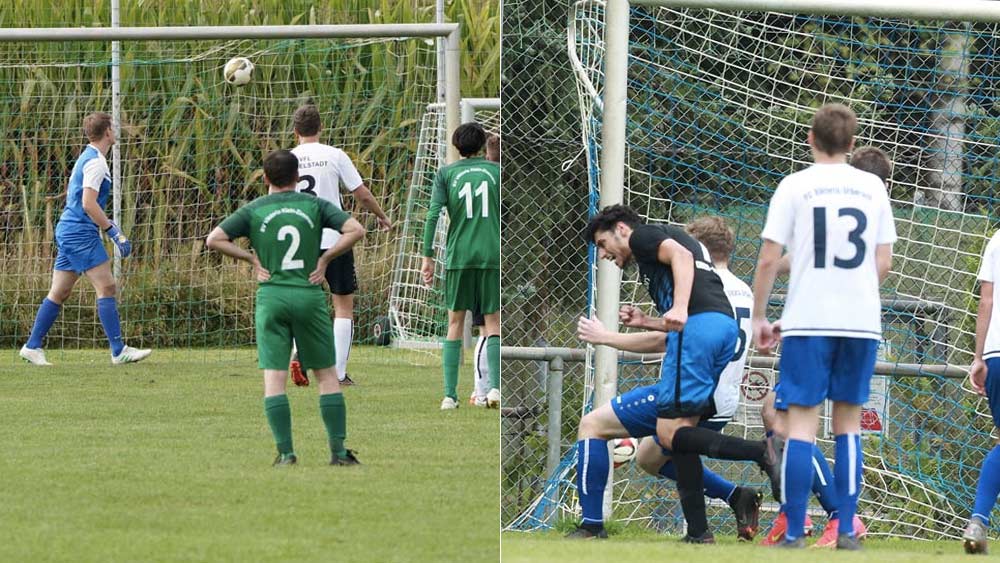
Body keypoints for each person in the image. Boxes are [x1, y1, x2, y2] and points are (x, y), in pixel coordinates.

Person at [570, 205, 779, 542]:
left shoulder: (643, 237)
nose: (604, 254)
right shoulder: (717, 275)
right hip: (715, 338)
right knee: (666, 445)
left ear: (621, 229)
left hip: (699, 335)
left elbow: (680, 260)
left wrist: (677, 308)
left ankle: (763, 452)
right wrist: (652, 319)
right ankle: (700, 532)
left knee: (603, 426)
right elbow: (687, 311)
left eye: (602, 243)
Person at [751, 104, 895, 549]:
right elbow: (883, 261)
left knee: (800, 427)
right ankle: (847, 526)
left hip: (808, 320)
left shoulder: (795, 185)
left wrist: (759, 317)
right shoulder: (873, 187)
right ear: (853, 146)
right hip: (860, 322)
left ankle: (795, 530)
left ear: (810, 139)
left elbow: (769, 260)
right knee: (848, 425)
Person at [206, 149, 366, 466]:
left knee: (274, 380)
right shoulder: (315, 205)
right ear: (297, 178)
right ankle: (338, 452)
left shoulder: (255, 209)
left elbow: (214, 239)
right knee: (327, 377)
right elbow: (356, 230)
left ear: (265, 179)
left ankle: (285, 453)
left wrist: (251, 258)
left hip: (272, 298)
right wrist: (324, 259)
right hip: (308, 295)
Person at [19, 112, 151, 366]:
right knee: (107, 286)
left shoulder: (88, 156)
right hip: (79, 231)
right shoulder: (96, 162)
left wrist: (107, 225)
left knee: (60, 291)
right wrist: (113, 231)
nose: (117, 131)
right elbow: (88, 203)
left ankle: (32, 346)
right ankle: (118, 350)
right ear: (108, 132)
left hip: (71, 229)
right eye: (114, 127)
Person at [287, 104, 392, 387]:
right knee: (343, 306)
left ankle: (299, 353)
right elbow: (362, 194)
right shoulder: (335, 155)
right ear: (321, 128)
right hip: (335, 240)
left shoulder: (288, 159)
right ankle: (338, 373)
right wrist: (381, 217)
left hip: (298, 241)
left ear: (295, 131)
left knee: (302, 304)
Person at [421, 123, 500, 410]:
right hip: (491, 254)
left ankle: (449, 396)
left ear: (456, 146)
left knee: (454, 324)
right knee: (492, 322)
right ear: (482, 145)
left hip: (459, 256)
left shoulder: (446, 173)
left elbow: (432, 214)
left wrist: (427, 256)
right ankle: (494, 390)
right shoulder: (497, 172)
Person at [963, 227, 1000, 554]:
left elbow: (986, 299)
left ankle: (978, 520)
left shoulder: (997, 239)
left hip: (996, 354)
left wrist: (978, 357)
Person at [469, 133, 501, 407]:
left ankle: (483, 391)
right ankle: (487, 391)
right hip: (492, 260)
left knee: (486, 328)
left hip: (481, 260)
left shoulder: (474, 178)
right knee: (492, 326)